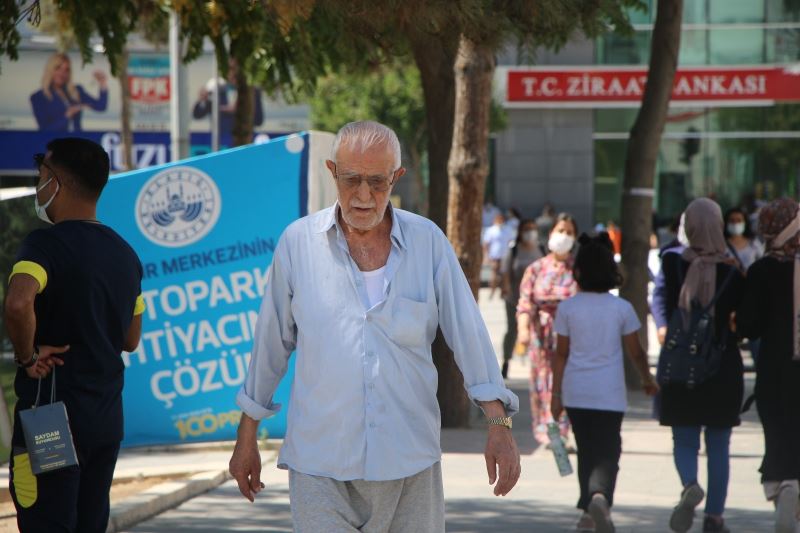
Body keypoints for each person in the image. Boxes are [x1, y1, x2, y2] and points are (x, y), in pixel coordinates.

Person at [229, 121, 520, 532]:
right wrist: (247, 436)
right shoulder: (298, 244)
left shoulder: (428, 243)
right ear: (333, 172)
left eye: (377, 182)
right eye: (351, 180)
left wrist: (499, 424)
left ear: (396, 178)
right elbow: (270, 345)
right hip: (320, 466)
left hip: (410, 464)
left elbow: (468, 334)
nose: (363, 195)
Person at [4, 138, 144, 532]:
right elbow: (130, 339)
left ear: (55, 181)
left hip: (50, 418)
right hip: (105, 420)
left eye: (40, 176)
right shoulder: (125, 254)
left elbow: (18, 304)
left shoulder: (43, 245)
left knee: (46, 521)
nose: (37, 186)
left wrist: (28, 357)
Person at [551, 232, 659, 533]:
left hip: (576, 391)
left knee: (586, 449)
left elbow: (560, 355)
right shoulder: (621, 308)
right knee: (609, 449)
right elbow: (636, 352)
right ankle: (600, 498)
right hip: (609, 393)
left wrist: (555, 395)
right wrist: (647, 379)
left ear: (578, 272)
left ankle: (588, 510)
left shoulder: (568, 308)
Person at [657, 198, 744, 533]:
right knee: (720, 444)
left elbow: (664, 299)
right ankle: (715, 517)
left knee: (684, 438)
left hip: (682, 364)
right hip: (722, 366)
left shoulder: (672, 264)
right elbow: (744, 320)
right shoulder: (733, 273)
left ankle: (690, 484)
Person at [736, 198, 800, 533]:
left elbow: (748, 325)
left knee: (776, 431)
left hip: (774, 368)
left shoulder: (761, 270)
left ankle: (782, 487)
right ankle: (795, 487)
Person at [516, 213, 578, 445]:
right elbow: (525, 303)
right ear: (551, 233)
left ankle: (561, 434)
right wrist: (523, 330)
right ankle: (547, 433)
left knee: (563, 384)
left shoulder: (578, 270)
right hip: (541, 339)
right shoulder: (536, 269)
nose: (564, 236)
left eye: (569, 232)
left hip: (570, 339)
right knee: (542, 385)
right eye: (560, 230)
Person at [500, 219, 544, 378]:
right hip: (515, 299)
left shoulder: (541, 249)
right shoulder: (513, 250)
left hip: (538, 301)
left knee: (537, 332)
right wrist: (506, 288)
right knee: (512, 330)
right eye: (527, 229)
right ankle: (506, 361)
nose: (530, 232)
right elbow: (505, 272)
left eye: (533, 228)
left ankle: (537, 363)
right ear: (520, 231)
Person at [30, 53, 108, 131]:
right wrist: (67, 115)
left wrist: (102, 83)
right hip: (55, 141)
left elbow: (100, 106)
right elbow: (44, 130)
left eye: (66, 70)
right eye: (58, 68)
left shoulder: (76, 91)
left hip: (77, 140)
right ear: (50, 70)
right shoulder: (38, 97)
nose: (62, 73)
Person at [192, 58, 264, 141]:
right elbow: (197, 114)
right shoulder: (215, 88)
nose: (232, 73)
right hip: (220, 143)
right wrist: (202, 100)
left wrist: (241, 109)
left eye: (234, 69)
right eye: (229, 69)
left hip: (244, 141)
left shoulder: (252, 90)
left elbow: (259, 120)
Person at [483, 213, 514, 298]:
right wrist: (486, 256)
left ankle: (505, 292)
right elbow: (486, 244)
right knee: (494, 274)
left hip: (505, 255)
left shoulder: (507, 229)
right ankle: (492, 291)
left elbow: (511, 241)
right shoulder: (491, 230)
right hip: (494, 256)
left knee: (505, 274)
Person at [724, 206, 763, 272]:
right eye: (732, 220)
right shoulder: (721, 245)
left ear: (745, 223)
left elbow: (761, 265)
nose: (735, 223)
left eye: (739, 220)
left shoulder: (754, 244)